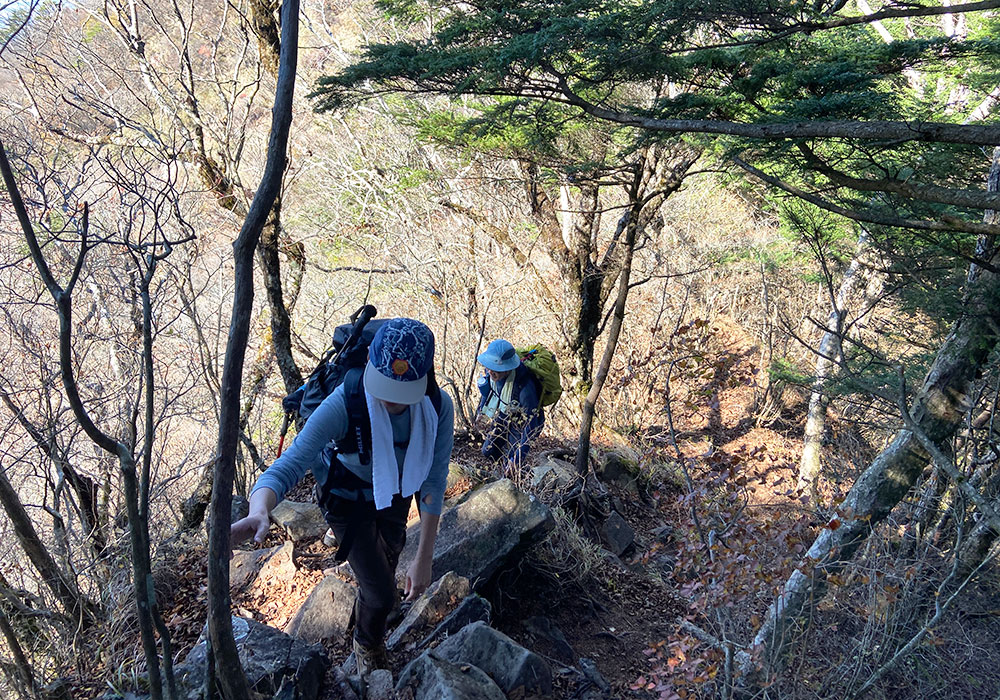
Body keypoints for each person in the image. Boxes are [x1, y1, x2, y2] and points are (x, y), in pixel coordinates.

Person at [231, 318, 454, 682]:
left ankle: (372, 610)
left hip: (396, 490)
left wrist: (425, 557)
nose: (391, 401)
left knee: (389, 559)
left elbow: (432, 480)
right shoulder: (346, 402)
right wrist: (260, 509)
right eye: (385, 387)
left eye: (403, 392)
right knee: (383, 593)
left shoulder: (437, 408)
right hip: (345, 498)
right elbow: (289, 464)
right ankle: (367, 643)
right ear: (369, 363)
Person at [476, 338, 543, 470]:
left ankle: (516, 475)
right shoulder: (491, 374)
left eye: (495, 369)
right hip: (505, 412)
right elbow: (488, 393)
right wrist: (481, 413)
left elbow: (531, 424)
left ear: (508, 369)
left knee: (512, 462)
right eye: (489, 367)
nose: (490, 371)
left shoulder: (525, 388)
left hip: (522, 421)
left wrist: (517, 457)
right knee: (488, 451)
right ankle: (502, 468)